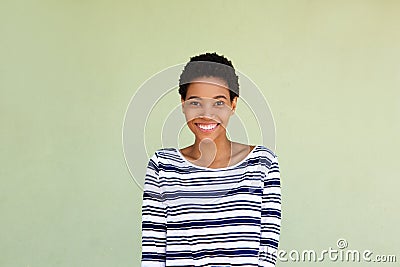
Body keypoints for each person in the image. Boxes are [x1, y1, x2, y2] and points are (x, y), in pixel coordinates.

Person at [141, 52, 281, 267]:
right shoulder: (163, 166)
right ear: (183, 103)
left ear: (233, 105)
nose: (206, 114)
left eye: (219, 103)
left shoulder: (262, 163)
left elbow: (267, 254)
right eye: (195, 102)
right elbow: (153, 255)